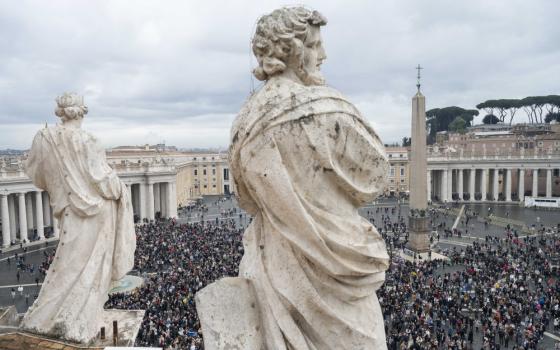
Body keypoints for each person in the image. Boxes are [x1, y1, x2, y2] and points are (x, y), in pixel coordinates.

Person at [203, 7, 389, 350]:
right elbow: (375, 176)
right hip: (339, 279)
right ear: (291, 50)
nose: (323, 55)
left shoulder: (244, 122)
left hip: (276, 271)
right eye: (315, 45)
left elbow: (245, 199)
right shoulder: (330, 109)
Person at [21, 93, 136, 343]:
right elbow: (102, 181)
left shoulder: (43, 138)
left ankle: (53, 316)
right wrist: (120, 189)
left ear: (60, 112)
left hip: (69, 208)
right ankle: (75, 320)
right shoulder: (89, 140)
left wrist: (61, 183)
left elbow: (36, 174)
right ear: (82, 111)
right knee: (88, 267)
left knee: (68, 262)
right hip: (98, 213)